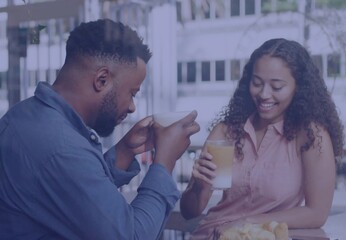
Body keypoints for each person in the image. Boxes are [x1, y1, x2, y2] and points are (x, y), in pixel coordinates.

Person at [0, 19, 200, 239]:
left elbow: (72, 192)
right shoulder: (62, 148)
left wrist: (123, 152)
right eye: (132, 93)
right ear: (102, 80)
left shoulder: (27, 116)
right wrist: (164, 163)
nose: (132, 107)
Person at [180, 38, 344, 239]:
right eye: (257, 83)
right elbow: (190, 212)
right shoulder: (226, 132)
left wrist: (248, 222)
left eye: (276, 87)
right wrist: (199, 184)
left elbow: (316, 213)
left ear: (298, 88)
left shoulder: (310, 136)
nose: (264, 94)